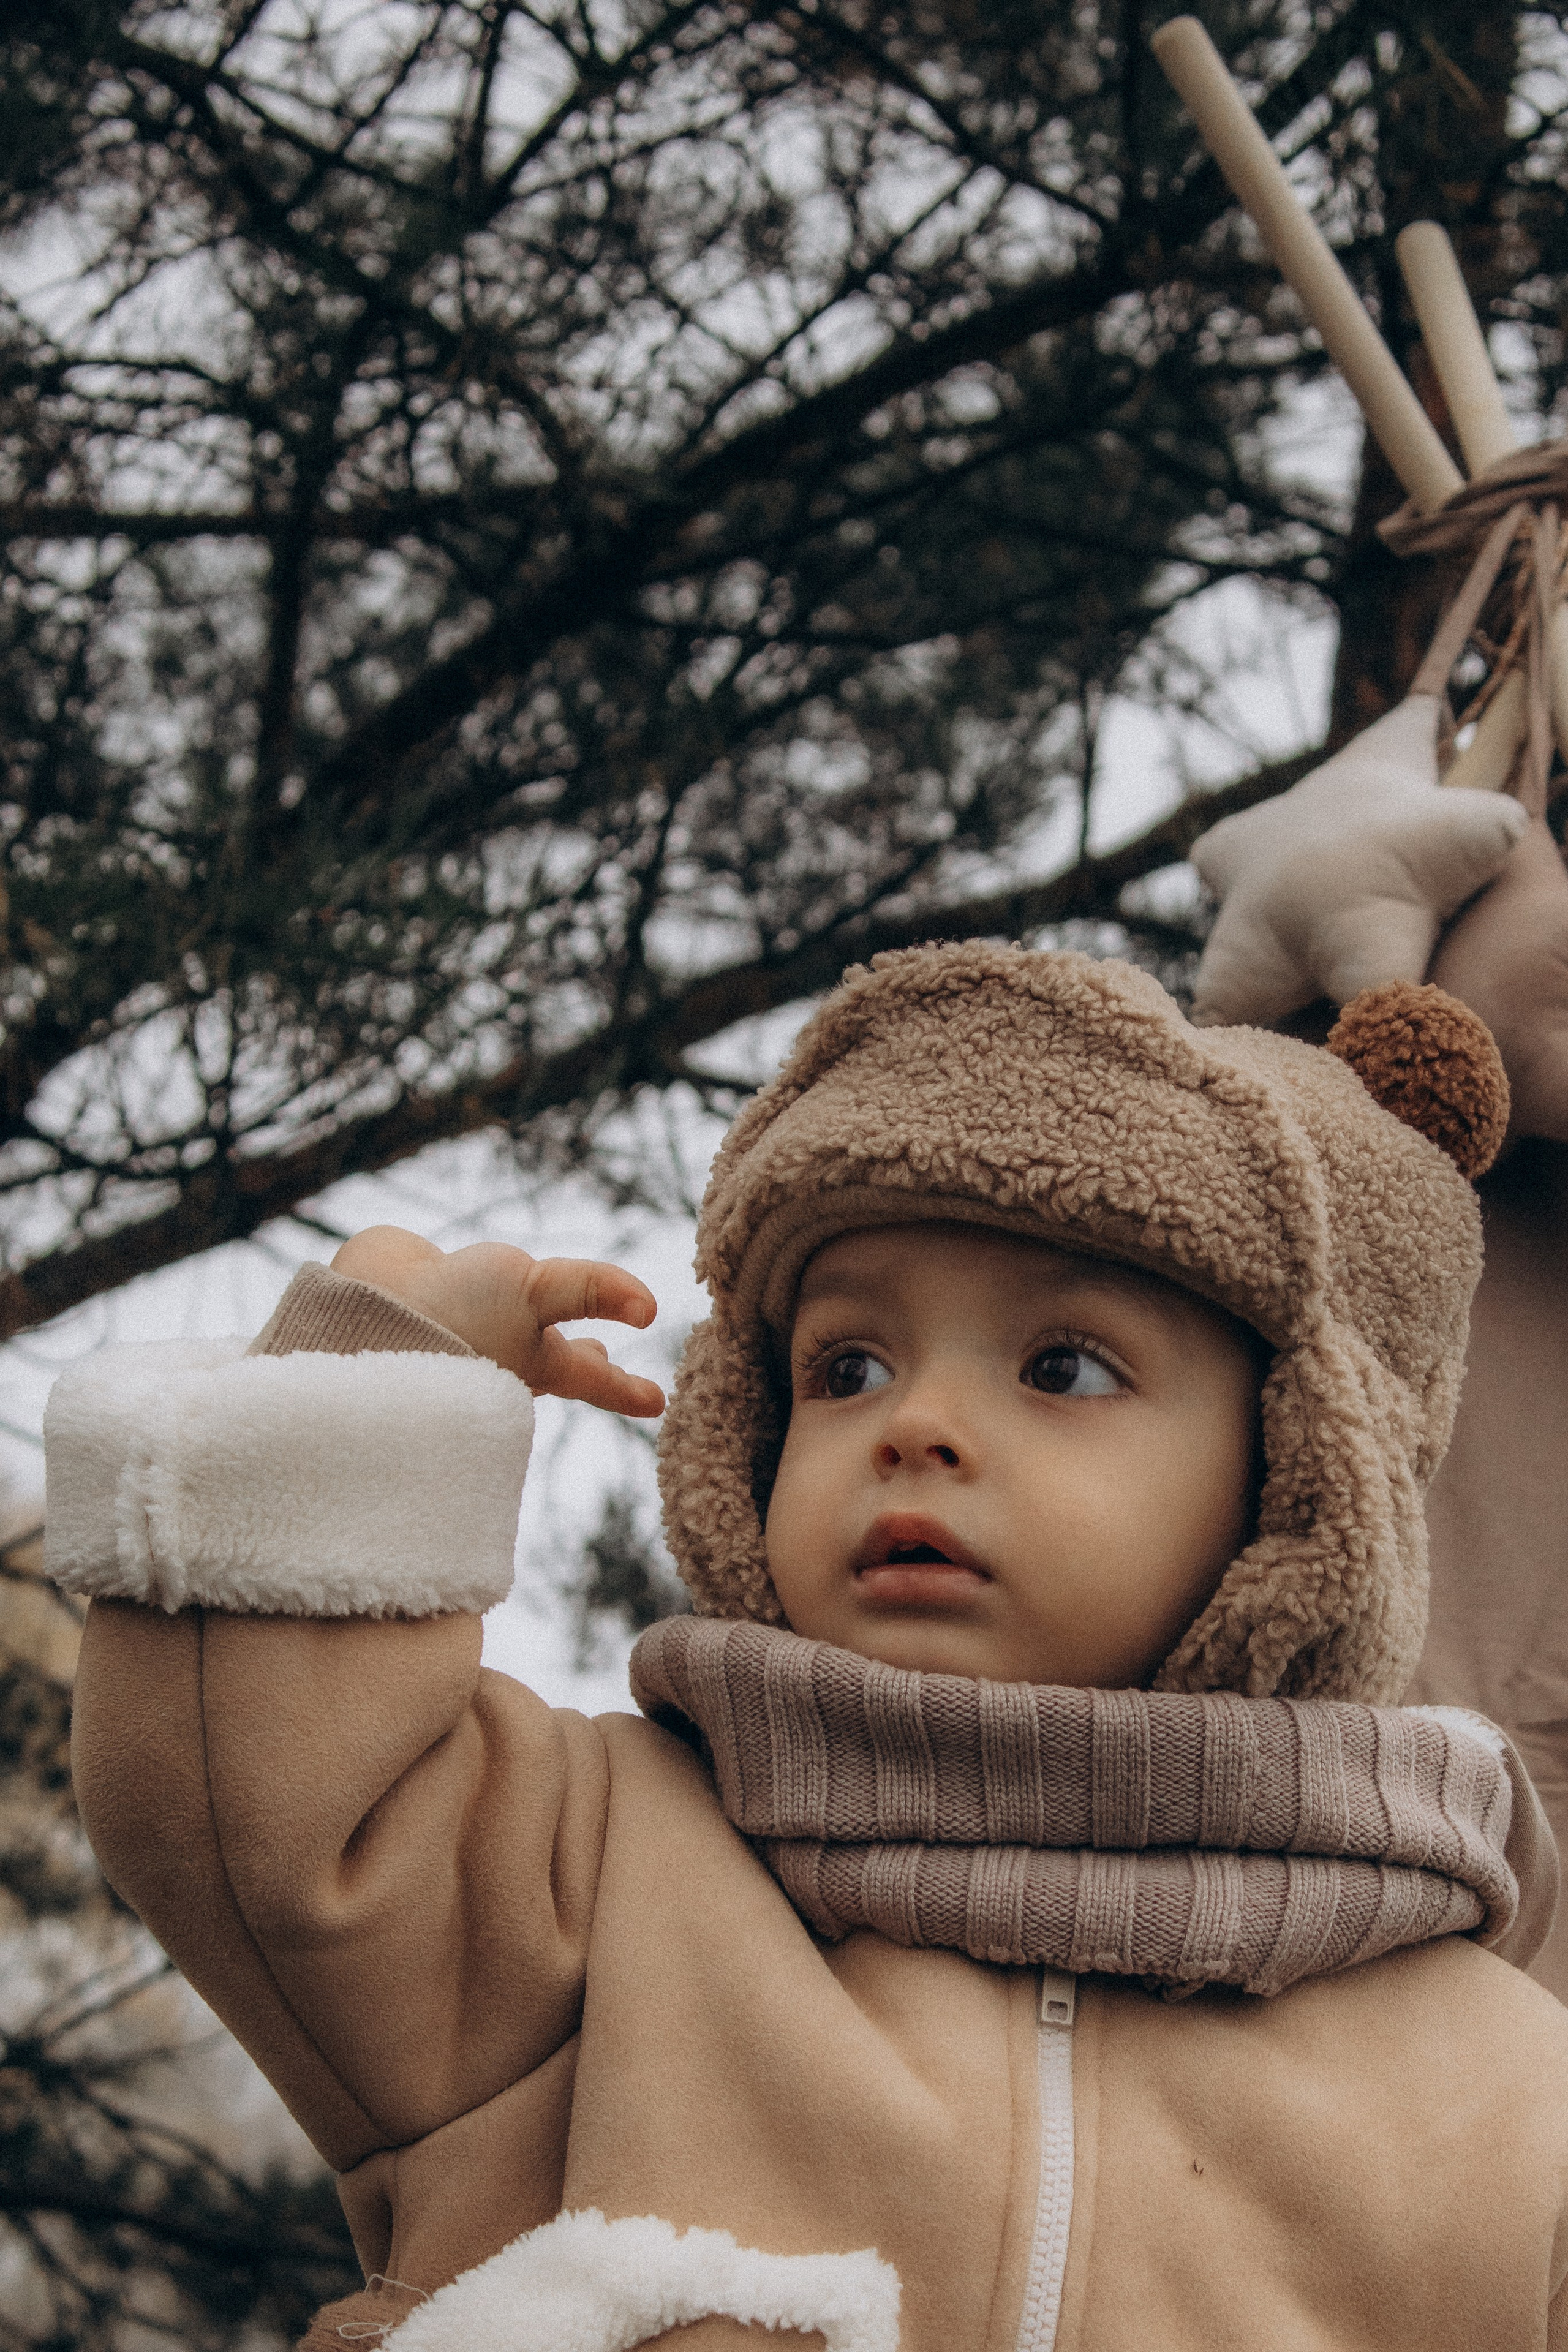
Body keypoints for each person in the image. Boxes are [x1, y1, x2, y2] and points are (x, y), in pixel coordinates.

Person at [45, 943, 1568, 2352]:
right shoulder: (592, 1872)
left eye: (1061, 1365)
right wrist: (363, 1397)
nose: (913, 1424)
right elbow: (245, 1812)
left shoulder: (1498, 2089)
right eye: (844, 1365)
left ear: (1302, 1474)